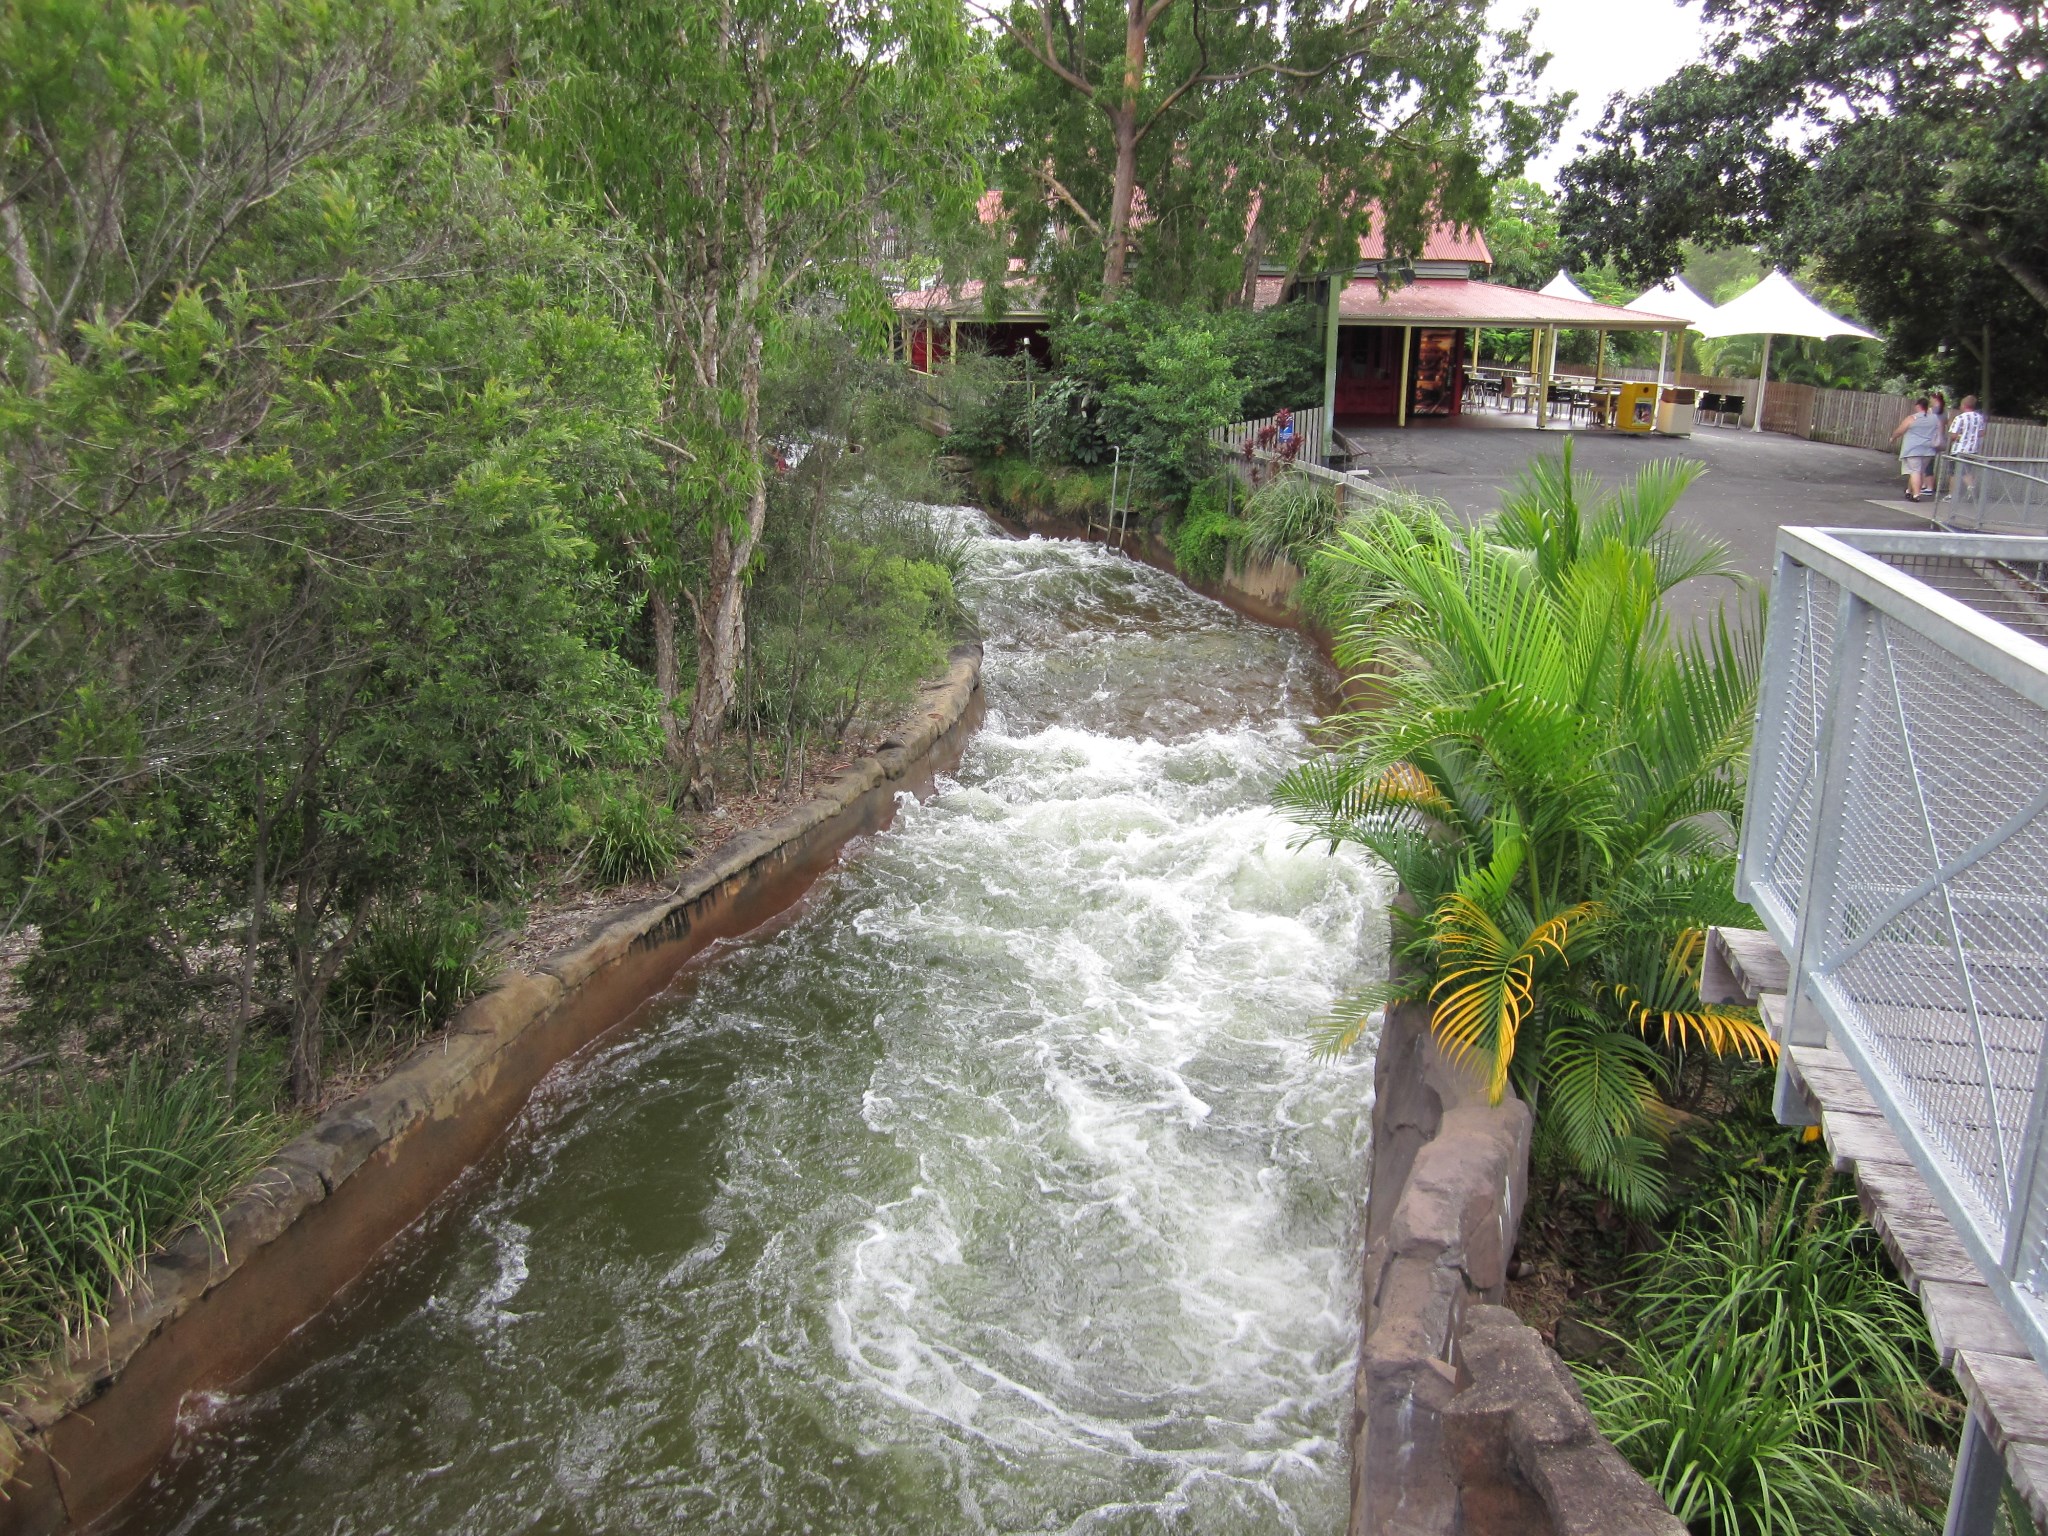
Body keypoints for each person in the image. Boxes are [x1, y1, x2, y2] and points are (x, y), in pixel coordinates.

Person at [1891, 396, 1942, 503]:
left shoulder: (1912, 418)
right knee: (1919, 471)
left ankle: (1916, 494)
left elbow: (1900, 430)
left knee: (1914, 471)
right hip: (1928, 450)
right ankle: (1909, 491)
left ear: (1918, 406)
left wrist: (1893, 437)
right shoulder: (1935, 418)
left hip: (1913, 449)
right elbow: (1940, 431)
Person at [1950, 393, 1986, 500]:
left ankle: (1952, 495)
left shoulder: (1959, 418)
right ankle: (1971, 489)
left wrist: (1960, 436)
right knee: (1967, 471)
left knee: (1954, 473)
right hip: (1972, 449)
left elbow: (1953, 435)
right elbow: (1982, 432)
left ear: (1964, 405)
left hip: (1959, 450)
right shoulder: (1979, 418)